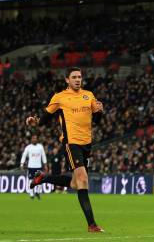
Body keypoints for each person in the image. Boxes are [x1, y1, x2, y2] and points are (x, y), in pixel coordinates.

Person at [26, 67, 104, 232]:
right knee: (83, 180)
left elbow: (96, 120)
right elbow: (45, 116)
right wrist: (35, 121)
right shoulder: (60, 97)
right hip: (71, 143)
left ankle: (44, 178)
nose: (77, 79)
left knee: (76, 183)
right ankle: (92, 225)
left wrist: (99, 112)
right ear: (67, 80)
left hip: (87, 143)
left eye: (79, 77)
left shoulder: (88, 95)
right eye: (74, 77)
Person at [20, 134, 47, 200]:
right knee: (31, 181)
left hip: (38, 167)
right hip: (31, 167)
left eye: (35, 138)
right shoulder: (28, 147)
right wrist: (22, 164)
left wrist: (45, 164)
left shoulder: (40, 147)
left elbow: (43, 156)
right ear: (31, 139)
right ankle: (31, 194)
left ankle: (37, 192)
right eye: (33, 138)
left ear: (37, 139)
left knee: (40, 180)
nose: (34, 139)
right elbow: (24, 155)